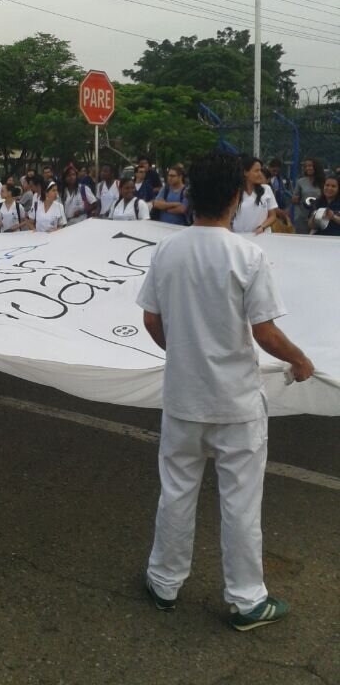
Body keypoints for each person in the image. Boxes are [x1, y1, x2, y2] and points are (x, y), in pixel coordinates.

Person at [138, 152, 314, 631]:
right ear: (237, 197)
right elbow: (264, 331)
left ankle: (163, 582)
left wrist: (185, 351)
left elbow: (152, 319)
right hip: (235, 404)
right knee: (239, 502)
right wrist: (298, 360)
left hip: (182, 398)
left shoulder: (167, 251)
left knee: (176, 491)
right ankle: (245, 599)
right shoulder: (248, 255)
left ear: (190, 196)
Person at [232, 157, 277, 235]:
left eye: (260, 170)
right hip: (240, 238)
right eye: (256, 171)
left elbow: (273, 216)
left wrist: (262, 227)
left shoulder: (266, 189)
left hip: (263, 237)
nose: (260, 174)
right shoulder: (234, 191)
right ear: (245, 172)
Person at [292, 158, 325, 234]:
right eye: (306, 166)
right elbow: (294, 200)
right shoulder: (300, 182)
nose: (308, 168)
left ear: (316, 167)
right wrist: (294, 199)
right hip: (302, 218)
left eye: (310, 166)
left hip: (319, 217)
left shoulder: (324, 181)